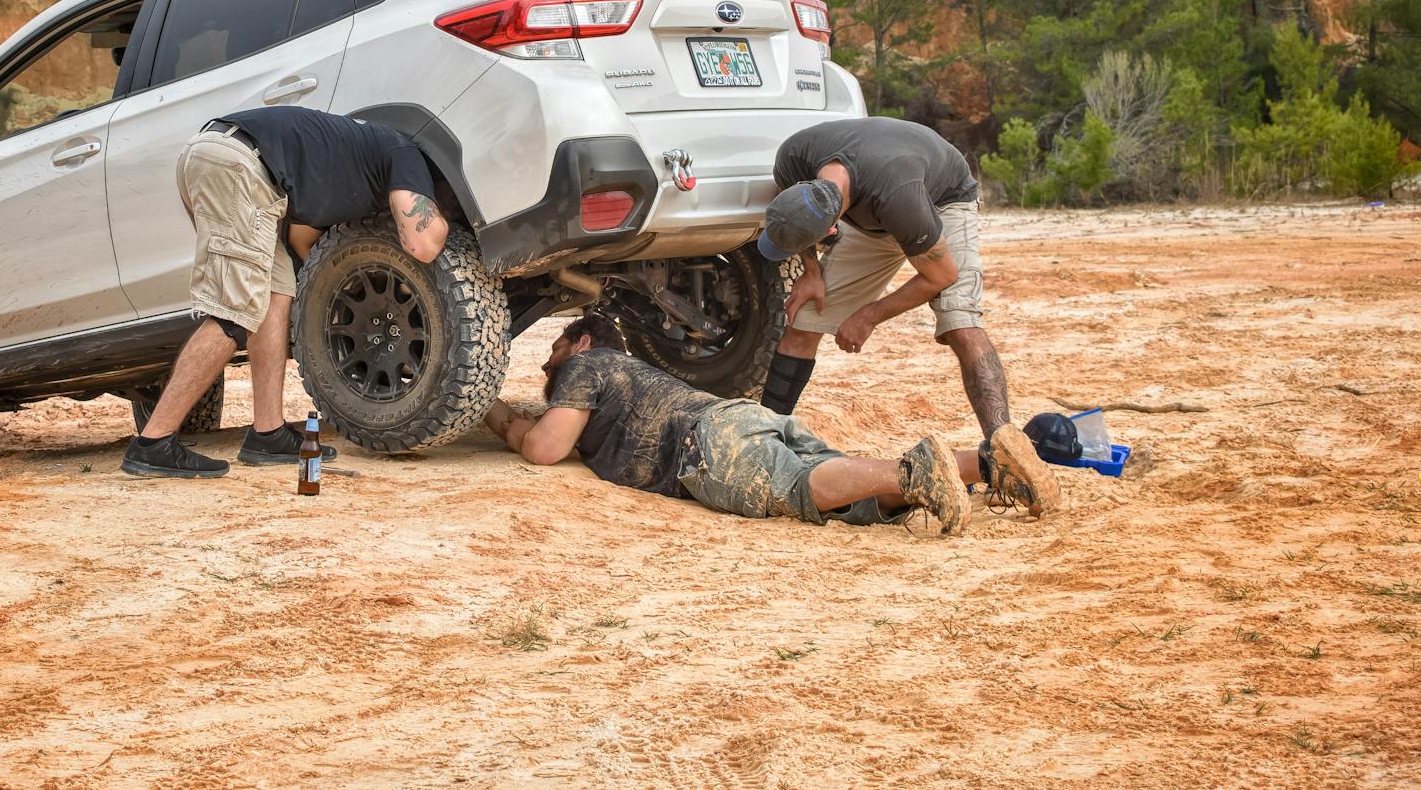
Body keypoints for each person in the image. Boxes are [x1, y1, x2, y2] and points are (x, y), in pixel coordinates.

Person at [481, 316, 1051, 534]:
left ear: (581, 340)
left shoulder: (587, 362)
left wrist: (491, 409)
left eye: (552, 348)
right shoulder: (627, 376)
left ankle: (915, 471)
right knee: (846, 491)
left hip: (705, 446)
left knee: (799, 489)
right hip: (739, 420)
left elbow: (546, 448)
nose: (544, 361)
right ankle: (988, 463)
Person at [754, 117, 1060, 516]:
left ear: (832, 227)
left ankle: (1004, 450)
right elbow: (795, 225)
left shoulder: (903, 199)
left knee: (960, 323)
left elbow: (940, 275)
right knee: (805, 322)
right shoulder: (792, 158)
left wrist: (868, 315)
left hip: (939, 200)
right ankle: (764, 439)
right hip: (872, 210)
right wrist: (811, 272)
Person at [123, 106, 450, 479]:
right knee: (235, 312)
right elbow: (423, 243)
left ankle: (268, 433)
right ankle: (153, 444)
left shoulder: (354, 162)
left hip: (239, 168)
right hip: (239, 167)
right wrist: (447, 225)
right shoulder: (403, 153)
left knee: (277, 294)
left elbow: (300, 238)